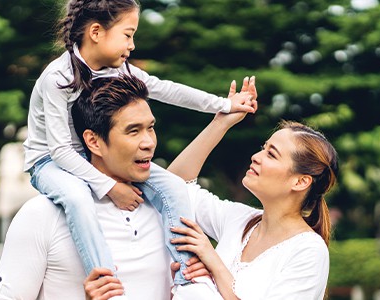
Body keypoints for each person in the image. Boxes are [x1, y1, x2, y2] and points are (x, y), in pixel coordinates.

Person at [22, 0, 257, 295]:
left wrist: (223, 104)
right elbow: (60, 151)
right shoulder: (58, 79)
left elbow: (167, 88)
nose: (132, 45)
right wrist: (111, 187)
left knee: (173, 186)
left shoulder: (119, 70)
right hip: (50, 162)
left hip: (100, 155)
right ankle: (108, 284)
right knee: (78, 198)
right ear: (96, 32)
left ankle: (187, 280)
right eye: (127, 34)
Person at [0, 74, 253, 299]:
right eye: (133, 131)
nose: (149, 142)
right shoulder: (41, 216)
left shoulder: (169, 212)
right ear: (93, 142)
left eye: (150, 128)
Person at [164, 109, 339, 299]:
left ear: (300, 182)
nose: (256, 156)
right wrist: (220, 124)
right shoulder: (238, 219)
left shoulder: (308, 251)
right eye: (263, 148)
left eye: (271, 154)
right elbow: (174, 187)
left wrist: (214, 265)